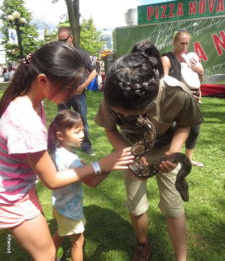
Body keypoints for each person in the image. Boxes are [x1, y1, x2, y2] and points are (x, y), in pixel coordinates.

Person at [0, 41, 134, 261]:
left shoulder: (34, 103)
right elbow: (51, 181)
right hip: (11, 197)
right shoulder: (24, 118)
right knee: (47, 255)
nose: (73, 94)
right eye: (69, 88)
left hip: (22, 188)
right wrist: (100, 165)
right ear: (43, 80)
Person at [95, 40, 203, 261]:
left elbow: (185, 124)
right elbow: (109, 129)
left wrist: (173, 152)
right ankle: (143, 244)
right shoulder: (113, 94)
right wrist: (131, 154)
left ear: (151, 96)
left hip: (166, 148)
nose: (124, 115)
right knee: (136, 206)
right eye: (120, 112)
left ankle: (181, 258)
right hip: (131, 148)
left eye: (132, 112)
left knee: (174, 208)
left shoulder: (177, 93)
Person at [48, 109, 120, 261]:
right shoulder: (71, 160)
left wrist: (83, 166)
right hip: (70, 210)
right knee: (78, 243)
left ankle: (49, 256)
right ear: (60, 136)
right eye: (77, 131)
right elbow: (93, 182)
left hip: (59, 205)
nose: (82, 135)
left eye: (82, 130)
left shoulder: (57, 151)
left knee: (61, 232)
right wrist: (110, 167)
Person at [161, 30, 205, 167]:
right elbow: (163, 82)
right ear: (174, 43)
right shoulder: (167, 58)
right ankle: (172, 156)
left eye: (187, 44)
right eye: (182, 43)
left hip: (194, 98)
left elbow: (198, 81)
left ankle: (188, 159)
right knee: (177, 129)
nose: (185, 47)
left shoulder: (191, 58)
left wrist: (201, 72)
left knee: (195, 129)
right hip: (176, 100)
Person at [57, 26, 97, 156]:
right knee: (63, 120)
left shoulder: (81, 53)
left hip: (78, 94)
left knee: (82, 120)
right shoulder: (59, 54)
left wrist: (83, 85)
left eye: (64, 40)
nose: (62, 43)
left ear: (71, 38)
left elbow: (94, 72)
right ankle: (66, 148)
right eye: (59, 41)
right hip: (63, 93)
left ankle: (86, 147)